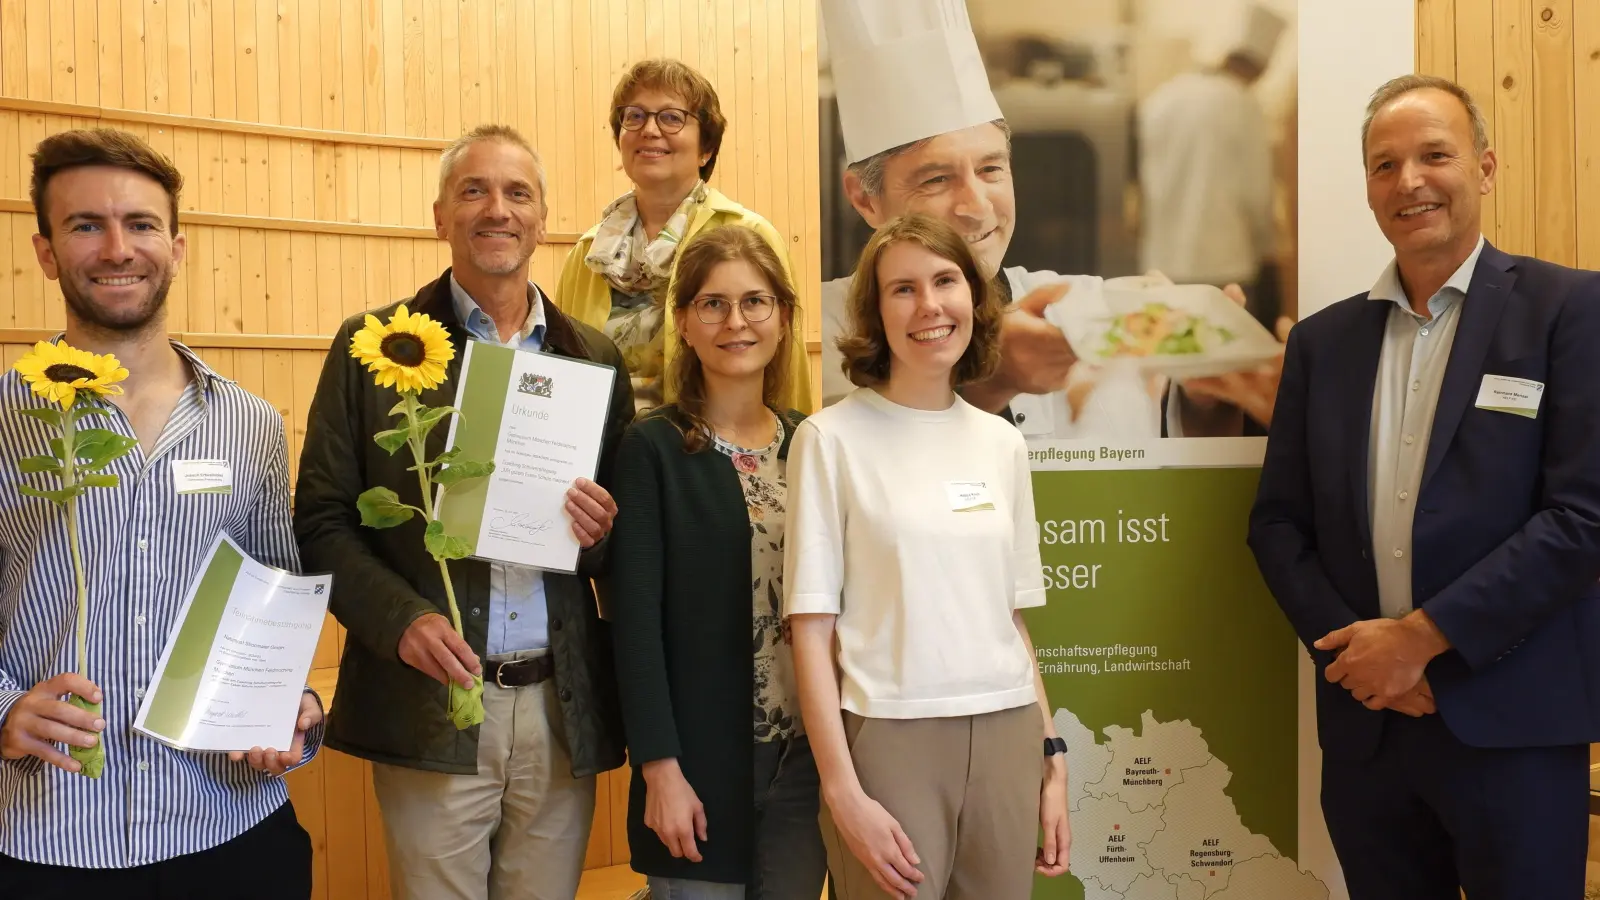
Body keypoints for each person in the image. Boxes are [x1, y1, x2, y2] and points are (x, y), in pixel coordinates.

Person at [1247, 75, 1600, 900]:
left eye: (1433, 155)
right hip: (1371, 729)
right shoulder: (1323, 343)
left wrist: (1420, 640)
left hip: (1513, 723)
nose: (1409, 181)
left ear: (1483, 167)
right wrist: (1361, 656)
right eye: (1384, 165)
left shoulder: (1569, 311)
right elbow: (1277, 526)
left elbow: (1582, 518)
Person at [293, 124, 634, 900]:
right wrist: (402, 620)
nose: (496, 209)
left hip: (559, 708)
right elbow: (319, 522)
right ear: (439, 214)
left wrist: (603, 531)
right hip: (431, 706)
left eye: (518, 193)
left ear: (543, 220)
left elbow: (616, 551)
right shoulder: (373, 348)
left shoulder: (594, 361)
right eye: (473, 190)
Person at [0, 128, 321, 894]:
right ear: (46, 252)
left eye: (141, 225)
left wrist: (288, 705)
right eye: (87, 225)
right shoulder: (7, 416)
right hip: (53, 838)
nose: (118, 248)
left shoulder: (248, 422)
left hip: (231, 826)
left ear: (176, 247)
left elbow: (272, 598)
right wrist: (3, 710)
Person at [817, 0, 1283, 440]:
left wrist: (1207, 399)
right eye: (936, 179)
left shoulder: (1090, 310)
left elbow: (1179, 472)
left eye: (991, 169)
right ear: (865, 199)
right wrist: (991, 383)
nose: (977, 206)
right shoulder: (812, 337)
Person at [784, 214, 1071, 900]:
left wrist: (1051, 758)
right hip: (890, 738)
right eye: (902, 290)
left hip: (1008, 734)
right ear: (875, 313)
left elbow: (1011, 622)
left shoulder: (1002, 445)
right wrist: (843, 791)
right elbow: (810, 629)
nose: (930, 306)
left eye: (945, 281)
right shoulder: (831, 440)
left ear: (974, 297)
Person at [607, 225, 826, 900]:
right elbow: (634, 624)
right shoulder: (652, 450)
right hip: (699, 764)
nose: (737, 322)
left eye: (756, 302)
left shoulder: (813, 444)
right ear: (684, 323)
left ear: (784, 318)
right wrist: (660, 771)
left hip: (806, 767)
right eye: (713, 304)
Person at [557, 58, 813, 417]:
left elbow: (787, 367)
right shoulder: (589, 253)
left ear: (706, 148)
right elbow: (563, 367)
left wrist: (793, 454)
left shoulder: (748, 235)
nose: (649, 129)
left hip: (706, 456)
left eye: (671, 117)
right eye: (634, 116)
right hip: (602, 462)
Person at [1138, 2, 1285, 325]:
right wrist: (1268, 248)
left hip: (1163, 263)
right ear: (1257, 64)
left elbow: (1146, 183)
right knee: (1224, 363)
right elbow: (1256, 191)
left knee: (1170, 360)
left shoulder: (1163, 98)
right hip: (1224, 263)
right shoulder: (1243, 104)